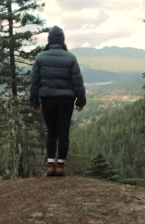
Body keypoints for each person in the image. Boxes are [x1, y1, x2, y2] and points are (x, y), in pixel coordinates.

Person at [29, 26, 87, 177]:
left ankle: (50, 165)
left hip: (47, 99)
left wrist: (34, 101)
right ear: (62, 40)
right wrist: (81, 100)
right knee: (63, 132)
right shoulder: (70, 57)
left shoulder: (40, 57)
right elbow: (77, 81)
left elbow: (34, 82)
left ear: (49, 40)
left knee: (51, 132)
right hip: (66, 100)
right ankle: (60, 166)